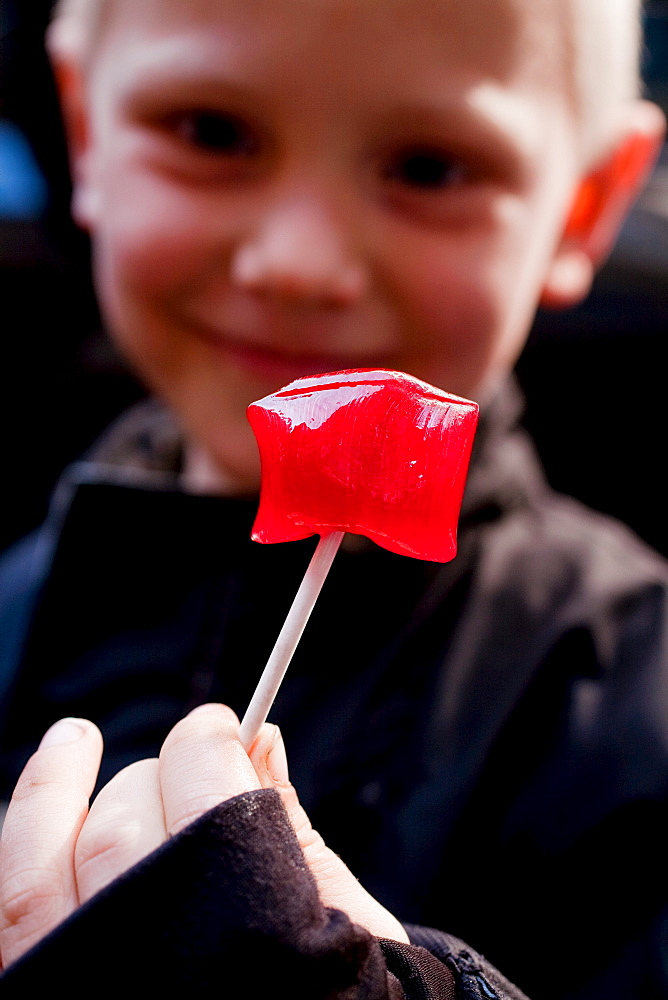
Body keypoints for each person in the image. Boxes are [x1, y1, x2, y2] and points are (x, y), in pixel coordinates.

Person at [0, 0, 667, 995]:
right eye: (210, 133)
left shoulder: (627, 694)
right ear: (85, 131)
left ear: (581, 205)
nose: (299, 264)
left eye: (429, 168)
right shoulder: (12, 605)